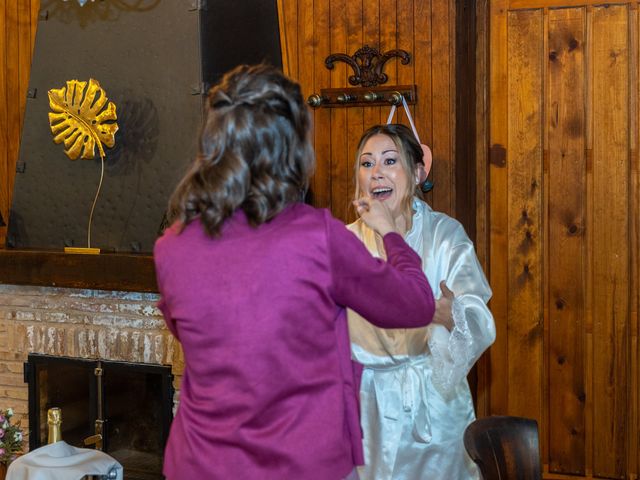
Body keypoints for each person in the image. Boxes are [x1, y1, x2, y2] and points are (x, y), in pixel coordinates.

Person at [153, 65, 437, 480]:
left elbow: (206, 335)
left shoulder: (171, 247)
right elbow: (416, 304)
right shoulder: (317, 238)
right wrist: (392, 235)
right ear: (291, 148)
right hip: (299, 464)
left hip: (200, 464)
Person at [347, 123, 496, 479]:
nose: (376, 172)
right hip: (367, 404)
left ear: (416, 173)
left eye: (389, 161)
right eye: (367, 164)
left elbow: (478, 315)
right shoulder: (344, 242)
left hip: (434, 405)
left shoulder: (446, 236)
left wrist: (452, 315)